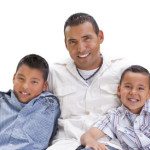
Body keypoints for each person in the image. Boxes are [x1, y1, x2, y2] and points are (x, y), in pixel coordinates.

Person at [47, 12, 131, 150]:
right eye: (72, 41)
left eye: (87, 38)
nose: (80, 48)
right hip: (65, 144)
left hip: (107, 144)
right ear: (65, 44)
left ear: (100, 37)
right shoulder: (54, 73)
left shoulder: (123, 70)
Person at [80, 65, 150, 150]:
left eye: (140, 88)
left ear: (148, 94)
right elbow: (87, 135)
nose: (133, 92)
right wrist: (91, 142)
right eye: (128, 86)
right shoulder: (114, 116)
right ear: (119, 90)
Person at [0, 54, 60, 150]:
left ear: (45, 86)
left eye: (34, 82)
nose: (25, 86)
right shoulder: (2, 102)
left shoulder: (48, 104)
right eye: (21, 78)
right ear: (14, 77)